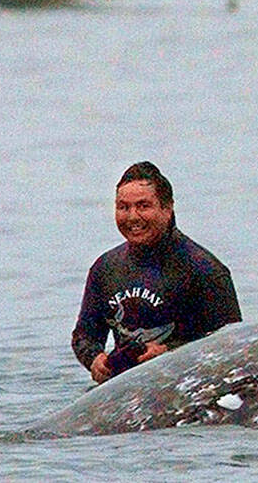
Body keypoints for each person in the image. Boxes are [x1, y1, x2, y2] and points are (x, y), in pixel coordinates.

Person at [72, 161, 241, 383]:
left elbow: (231, 346)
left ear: (167, 209)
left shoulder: (204, 270)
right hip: (127, 389)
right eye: (123, 207)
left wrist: (169, 352)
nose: (132, 217)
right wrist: (95, 359)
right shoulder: (105, 269)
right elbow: (84, 336)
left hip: (189, 386)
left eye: (143, 206)